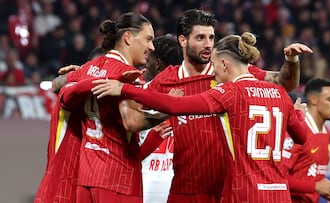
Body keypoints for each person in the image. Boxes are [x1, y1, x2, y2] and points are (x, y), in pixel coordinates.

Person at [90, 32, 309, 202]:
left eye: (214, 66)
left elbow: (176, 105)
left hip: (245, 192)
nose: (213, 73)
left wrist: (126, 90)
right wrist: (298, 114)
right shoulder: (280, 94)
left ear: (224, 64)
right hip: (280, 194)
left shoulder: (231, 93)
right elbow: (302, 137)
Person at [141, 9, 312, 203]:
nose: (208, 44)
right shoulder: (165, 80)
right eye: (200, 38)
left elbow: (284, 83)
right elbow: (135, 120)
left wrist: (291, 61)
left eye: (211, 37)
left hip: (226, 191)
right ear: (183, 40)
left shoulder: (229, 73)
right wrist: (159, 115)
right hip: (185, 190)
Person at [59, 12, 168, 202]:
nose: (151, 47)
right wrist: (168, 110)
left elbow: (56, 84)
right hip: (118, 178)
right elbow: (132, 122)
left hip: (86, 178)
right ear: (127, 37)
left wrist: (76, 77)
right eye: (148, 39)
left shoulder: (90, 67)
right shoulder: (127, 74)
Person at [34, 47, 106, 203]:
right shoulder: (73, 91)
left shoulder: (101, 103)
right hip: (60, 190)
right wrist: (76, 75)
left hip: (81, 189)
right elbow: (56, 85)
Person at [281, 78, 330, 203]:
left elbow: (314, 172)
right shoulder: (296, 132)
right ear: (314, 100)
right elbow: (278, 177)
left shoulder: (327, 133)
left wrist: (327, 191)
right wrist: (315, 187)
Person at [139, 35, 182, 203]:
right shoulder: (193, 94)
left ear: (157, 63)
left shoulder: (140, 94)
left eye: (148, 58)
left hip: (144, 178)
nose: (144, 62)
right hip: (177, 179)